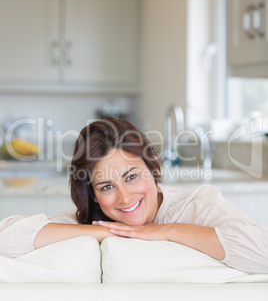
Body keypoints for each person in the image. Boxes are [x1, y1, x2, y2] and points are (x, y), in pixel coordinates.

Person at [0, 116, 267, 274]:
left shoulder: (196, 206)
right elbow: (6, 239)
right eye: (106, 186)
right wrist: (108, 233)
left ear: (153, 164)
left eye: (131, 177)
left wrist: (167, 232)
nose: (125, 198)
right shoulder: (94, 221)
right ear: (92, 195)